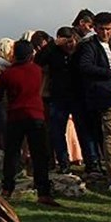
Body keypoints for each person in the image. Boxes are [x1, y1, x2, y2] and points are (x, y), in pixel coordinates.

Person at [0, 41, 59, 207]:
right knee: (39, 155)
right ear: (31, 55)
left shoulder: (8, 73)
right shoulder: (37, 71)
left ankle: (7, 188)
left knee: (12, 154)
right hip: (36, 115)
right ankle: (43, 192)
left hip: (15, 116)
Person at [75, 12, 111, 190]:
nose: (105, 33)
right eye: (101, 29)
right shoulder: (89, 46)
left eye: (108, 29)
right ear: (95, 28)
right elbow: (85, 67)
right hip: (105, 94)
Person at [35, 27, 79, 173]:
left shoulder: (78, 51)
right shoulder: (53, 53)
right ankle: (63, 162)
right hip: (58, 96)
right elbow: (38, 61)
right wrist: (53, 44)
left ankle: (92, 164)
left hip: (77, 95)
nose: (68, 44)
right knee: (57, 131)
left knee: (83, 130)